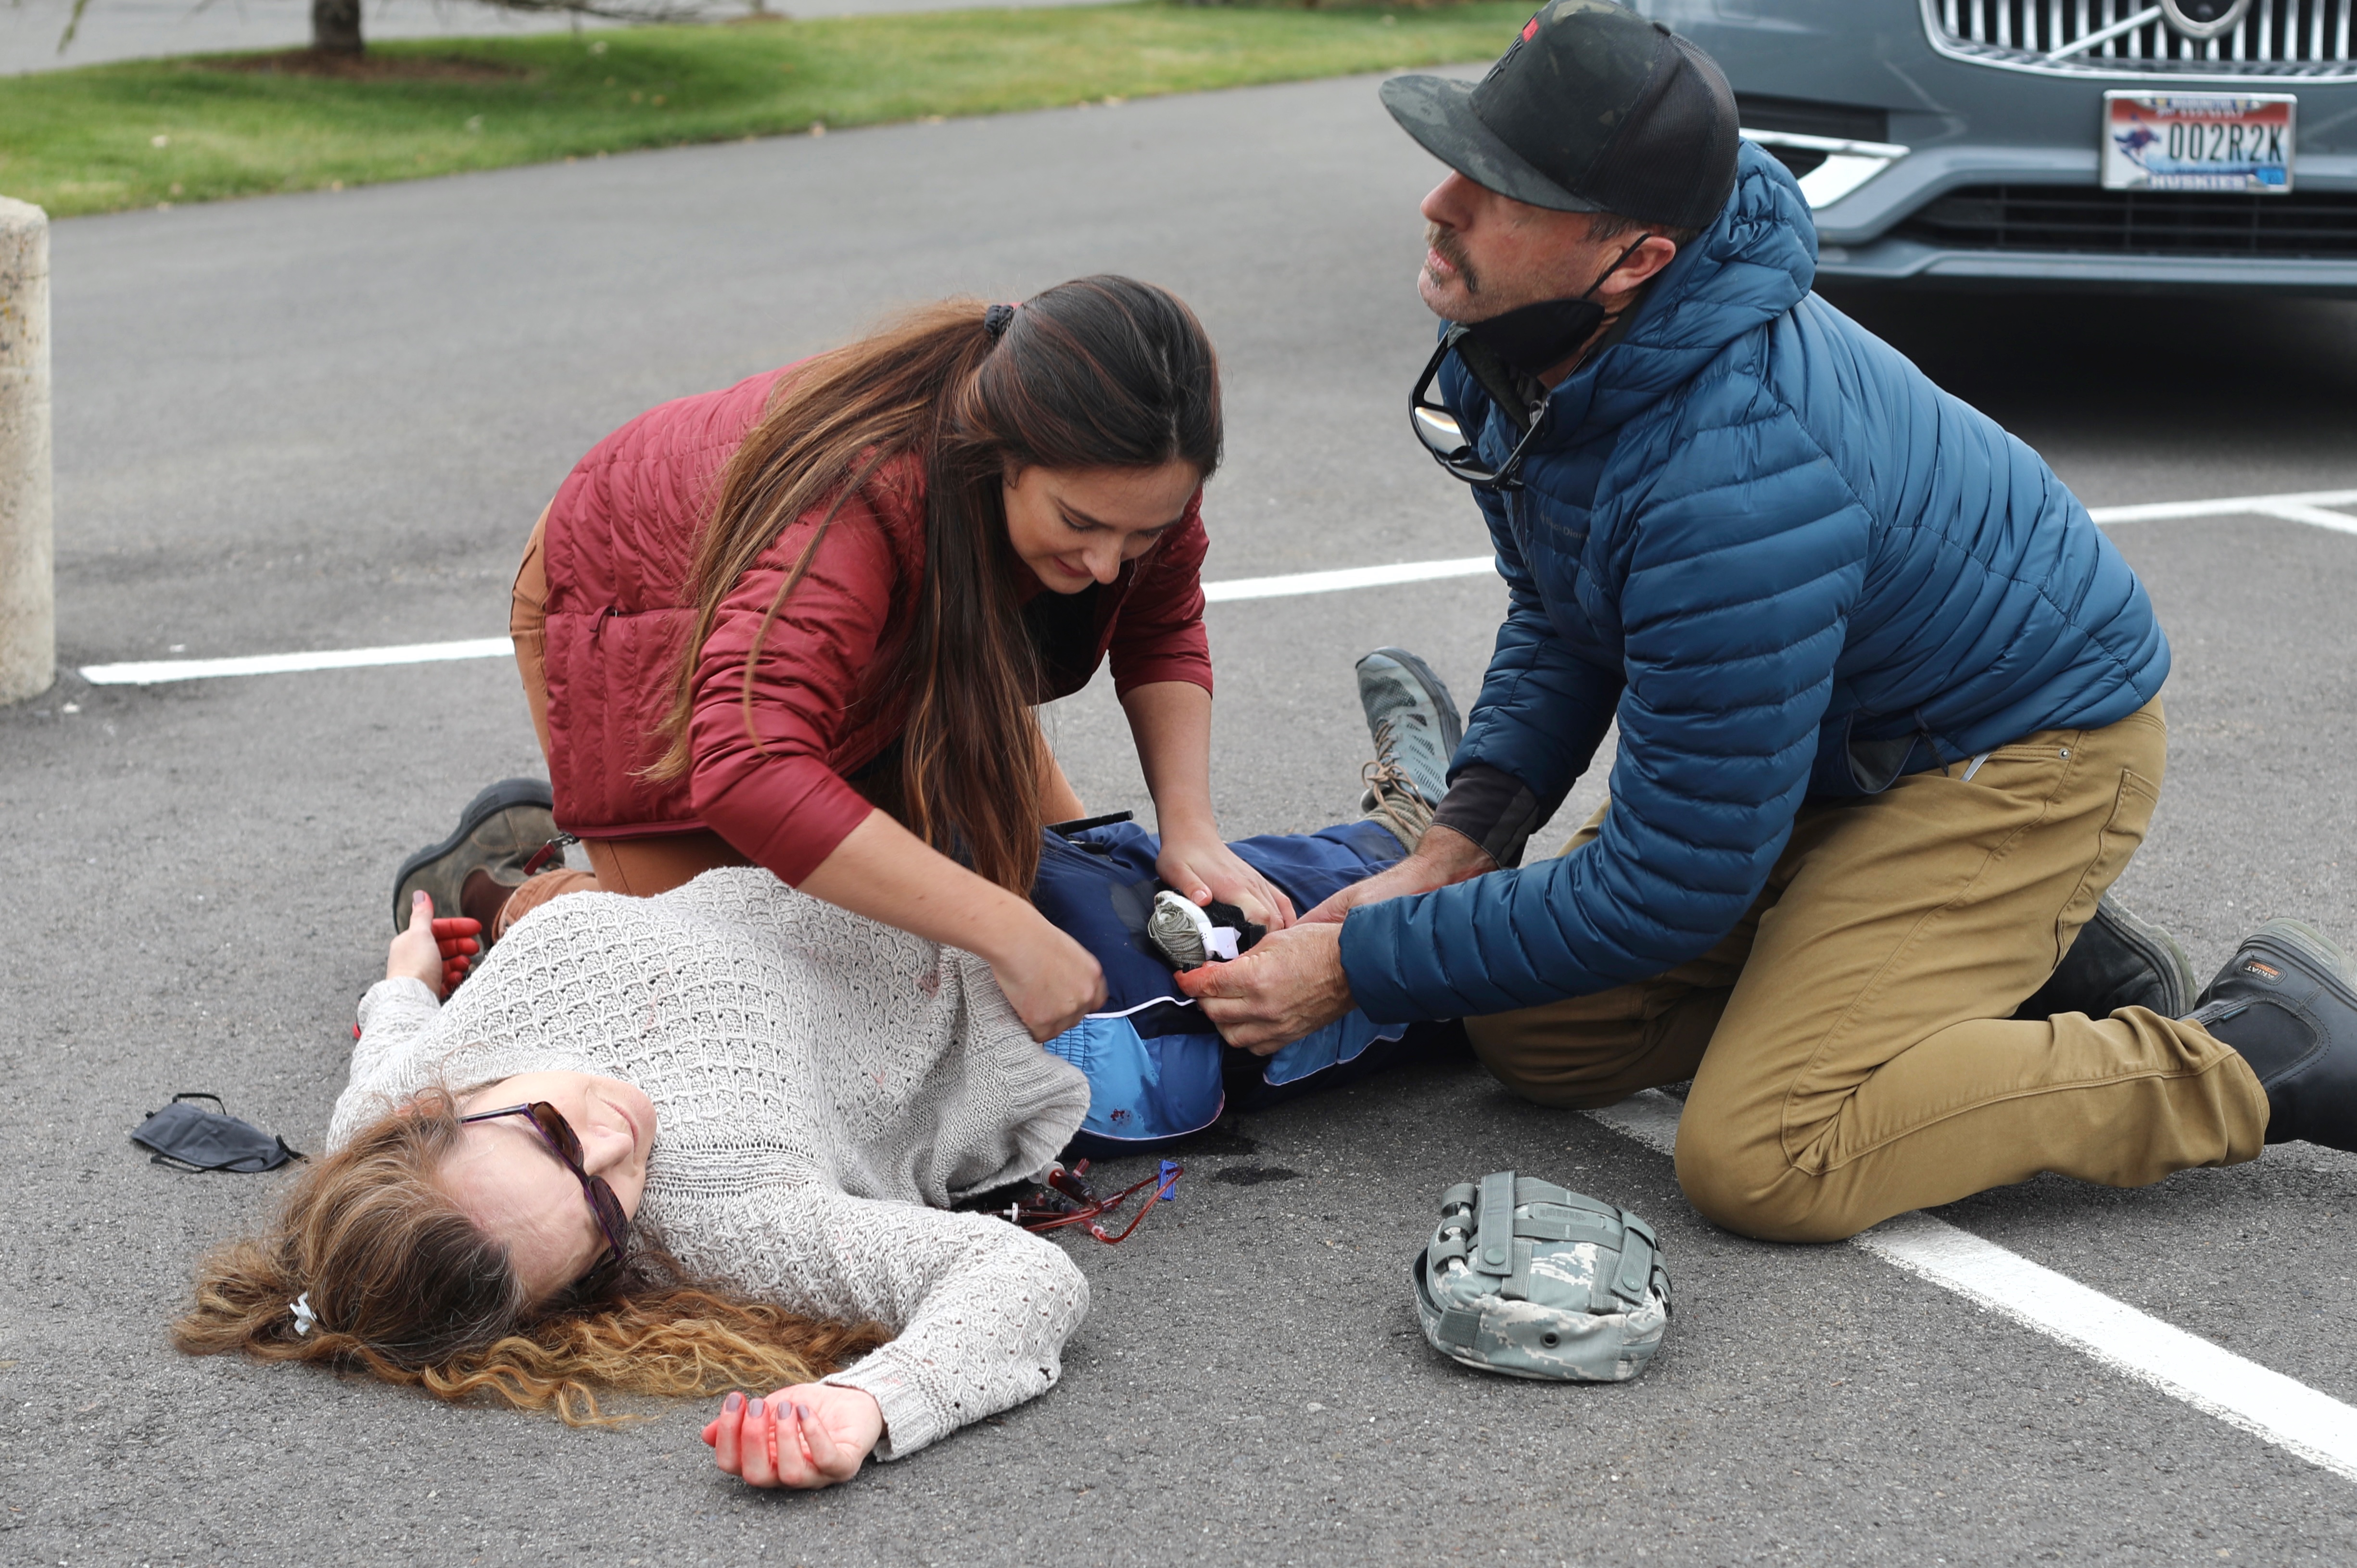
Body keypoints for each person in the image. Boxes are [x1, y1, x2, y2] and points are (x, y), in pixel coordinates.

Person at [1179, 0, 2357, 1243]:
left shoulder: (1727, 479)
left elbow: (1669, 886)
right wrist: (1460, 841)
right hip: (1836, 741)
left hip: (2018, 753)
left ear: (1633, 257)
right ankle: (1976, 970)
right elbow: (1562, 606)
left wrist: (1353, 964)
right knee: (1531, 1028)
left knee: (1768, 1155)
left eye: (1502, 190)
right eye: (1462, 162)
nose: (1441, 208)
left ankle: (2257, 1051)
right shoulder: (1522, 328)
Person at [172, 658, 1455, 1487]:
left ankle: (1413, 825)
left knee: (1122, 852)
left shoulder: (392, 1101)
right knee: (1347, 943)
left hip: (907, 876)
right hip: (1058, 1009)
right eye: (606, 1212)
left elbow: (390, 1033)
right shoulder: (721, 1212)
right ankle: (1464, 848)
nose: (625, 1139)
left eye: (562, 1137)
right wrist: (870, 1407)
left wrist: (404, 964)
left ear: (427, 1119)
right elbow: (1013, 1279)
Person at [394, 276, 1293, 1048]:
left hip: (865, 640)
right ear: (1000, 454)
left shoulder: (1139, 462)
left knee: (1052, 885)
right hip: (642, 605)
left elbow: (1161, 621)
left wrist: (1193, 830)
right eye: (1081, 525)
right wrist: (1005, 930)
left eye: (1142, 531)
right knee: (720, 984)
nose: (1106, 566)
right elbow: (752, 763)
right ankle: (516, 892)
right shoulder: (864, 490)